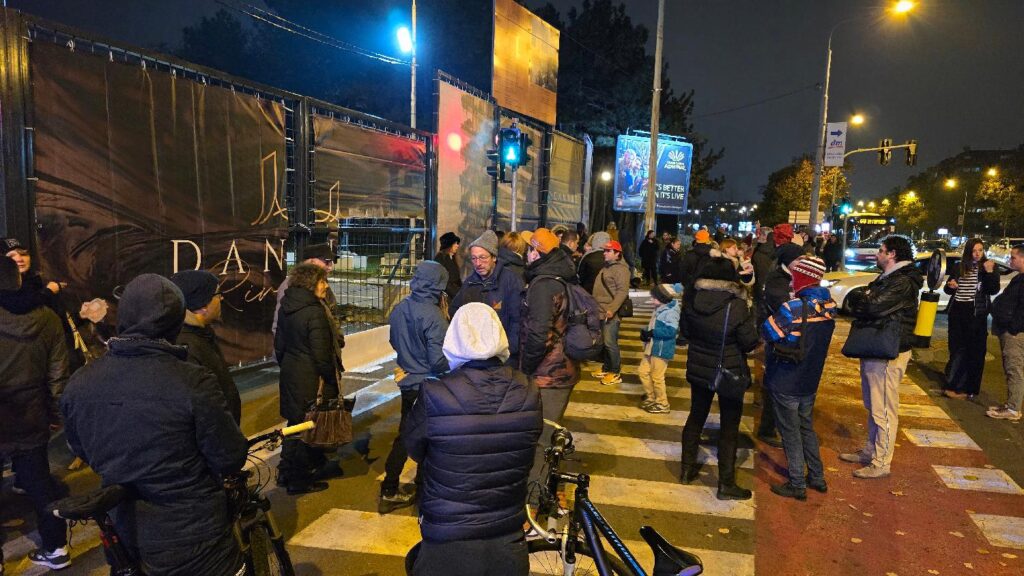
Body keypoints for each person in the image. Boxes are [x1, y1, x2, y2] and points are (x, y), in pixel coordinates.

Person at [61, 273, 247, 575]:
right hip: (193, 531)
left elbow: (80, 445)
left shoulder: (80, 382)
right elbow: (229, 456)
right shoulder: (191, 381)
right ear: (175, 322)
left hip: (124, 528)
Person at [404, 302, 541, 576]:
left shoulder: (435, 392)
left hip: (448, 532)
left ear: (454, 337)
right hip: (506, 528)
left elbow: (414, 447)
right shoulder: (528, 389)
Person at [0, 256, 70, 570]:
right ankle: (56, 547)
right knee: (40, 482)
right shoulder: (48, 318)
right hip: (32, 413)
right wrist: (55, 413)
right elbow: (58, 376)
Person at [840, 235, 923, 479]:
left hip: (888, 350)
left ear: (892, 254)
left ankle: (881, 461)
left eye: (881, 250)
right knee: (873, 404)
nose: (877, 254)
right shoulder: (891, 278)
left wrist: (863, 300)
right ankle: (871, 451)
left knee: (884, 408)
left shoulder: (902, 281)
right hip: (878, 346)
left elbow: (871, 306)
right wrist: (862, 299)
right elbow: (863, 300)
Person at [679, 257, 759, 500]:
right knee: (729, 426)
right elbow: (749, 342)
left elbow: (685, 333)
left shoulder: (692, 300)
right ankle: (726, 483)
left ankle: (686, 469)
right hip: (728, 370)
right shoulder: (736, 305)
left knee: (696, 416)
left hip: (700, 368)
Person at [762, 256, 836, 500]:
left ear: (802, 277)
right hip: (810, 378)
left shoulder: (792, 308)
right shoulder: (829, 305)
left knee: (789, 432)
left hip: (786, 377)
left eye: (794, 275)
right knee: (806, 427)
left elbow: (769, 331)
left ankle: (796, 483)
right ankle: (817, 476)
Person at [380, 261, 450, 514]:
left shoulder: (401, 308)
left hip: (407, 381)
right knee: (428, 437)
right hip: (428, 384)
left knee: (405, 434)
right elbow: (438, 359)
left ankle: (390, 486)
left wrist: (409, 359)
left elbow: (393, 340)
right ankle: (419, 490)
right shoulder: (434, 315)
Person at [274, 263, 343, 494]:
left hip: (291, 374)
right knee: (308, 428)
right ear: (312, 284)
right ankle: (299, 481)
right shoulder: (314, 311)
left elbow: (279, 345)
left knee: (294, 424)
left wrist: (291, 366)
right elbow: (322, 355)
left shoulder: (287, 306)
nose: (326, 286)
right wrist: (331, 380)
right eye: (323, 282)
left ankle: (286, 472)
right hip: (310, 379)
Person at [3, 237, 85, 373]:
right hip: (26, 367)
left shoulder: (38, 284)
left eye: (23, 253)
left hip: (54, 359)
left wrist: (82, 316)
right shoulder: (8, 292)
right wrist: (48, 292)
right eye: (11, 255)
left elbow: (57, 324)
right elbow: (20, 308)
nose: (19, 258)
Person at [756, 224, 805, 448]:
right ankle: (767, 428)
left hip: (791, 340)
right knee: (775, 384)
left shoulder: (793, 278)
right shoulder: (777, 280)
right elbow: (786, 309)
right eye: (798, 260)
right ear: (788, 261)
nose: (801, 263)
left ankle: (777, 424)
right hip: (779, 340)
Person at [170, 270, 241, 423]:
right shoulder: (186, 348)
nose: (221, 298)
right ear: (202, 304)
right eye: (217, 294)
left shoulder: (201, 334)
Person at [452, 230, 525, 361]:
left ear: (494, 257)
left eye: (483, 257)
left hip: (502, 355)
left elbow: (518, 320)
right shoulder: (470, 283)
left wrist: (509, 350)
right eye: (474, 258)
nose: (478, 263)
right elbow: (455, 312)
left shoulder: (511, 281)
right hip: (475, 354)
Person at [942, 238, 1000, 399]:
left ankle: (967, 388)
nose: (977, 254)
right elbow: (948, 289)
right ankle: (953, 382)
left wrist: (989, 273)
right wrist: (950, 285)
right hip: (958, 310)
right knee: (956, 348)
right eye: (974, 250)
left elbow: (992, 289)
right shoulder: (959, 267)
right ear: (968, 251)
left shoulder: (988, 267)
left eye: (980, 250)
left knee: (974, 351)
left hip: (976, 313)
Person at [989, 244, 1024, 420]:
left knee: (1014, 368)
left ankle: (1013, 409)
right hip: (1011, 330)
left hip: (1015, 333)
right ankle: (1011, 404)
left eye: (1014, 257)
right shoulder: (1019, 278)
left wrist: (1013, 328)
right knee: (1011, 367)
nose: (1010, 260)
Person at [273, 243, 336, 336]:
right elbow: (278, 325)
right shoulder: (290, 285)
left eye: (331, 262)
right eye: (327, 262)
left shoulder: (322, 283)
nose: (330, 267)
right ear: (312, 262)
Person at [638, 283, 681, 414]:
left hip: (661, 349)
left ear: (663, 298)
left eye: (654, 298)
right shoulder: (660, 308)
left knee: (657, 377)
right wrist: (646, 332)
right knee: (643, 371)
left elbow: (671, 332)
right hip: (652, 347)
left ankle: (662, 403)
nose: (652, 300)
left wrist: (652, 333)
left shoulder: (671, 312)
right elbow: (652, 325)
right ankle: (651, 396)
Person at [592, 240, 630, 386]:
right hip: (601, 311)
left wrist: (612, 309)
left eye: (608, 251)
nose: (604, 253)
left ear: (617, 254)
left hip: (610, 313)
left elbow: (622, 291)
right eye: (605, 251)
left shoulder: (621, 269)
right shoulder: (608, 267)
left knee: (610, 343)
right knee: (605, 342)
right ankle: (607, 368)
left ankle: (615, 372)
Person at [435, 232, 462, 303]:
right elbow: (445, 282)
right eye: (455, 243)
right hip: (447, 298)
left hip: (454, 295)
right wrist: (458, 295)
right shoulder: (441, 258)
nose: (457, 246)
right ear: (449, 245)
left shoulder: (451, 257)